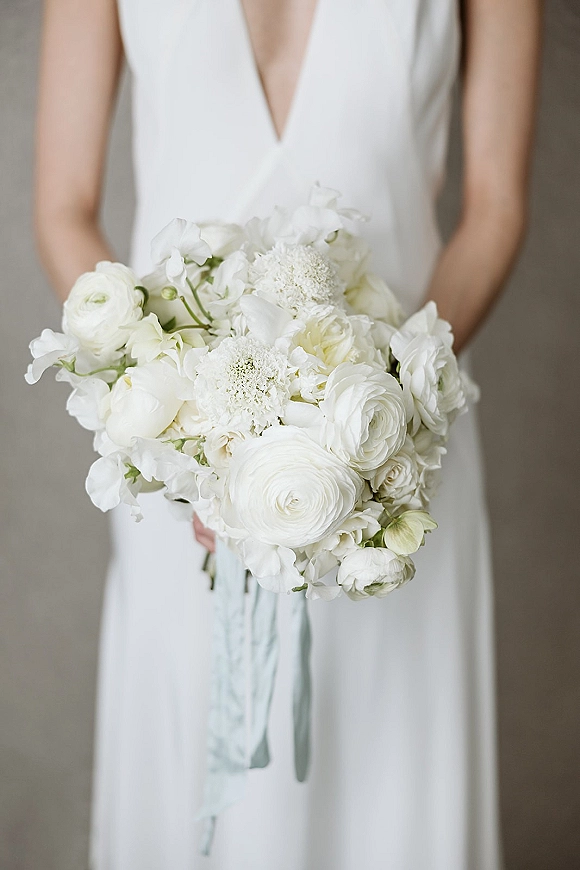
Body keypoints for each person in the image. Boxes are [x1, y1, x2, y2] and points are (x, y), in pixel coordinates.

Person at [35, 1, 542, 868]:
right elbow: (65, 206)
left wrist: (381, 409)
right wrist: (190, 430)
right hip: (181, 466)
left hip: (399, 456)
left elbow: (494, 206)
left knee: (389, 776)